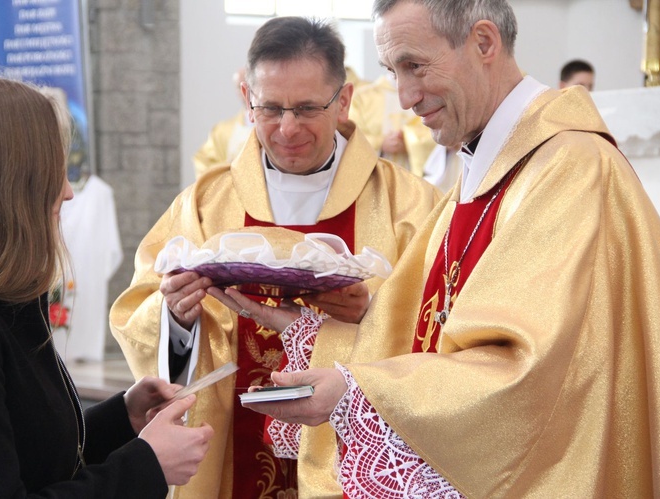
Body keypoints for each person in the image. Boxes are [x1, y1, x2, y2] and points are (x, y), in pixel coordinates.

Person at [209, 0, 660, 497]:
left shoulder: (569, 170)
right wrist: (313, 333)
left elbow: (533, 379)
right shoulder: (486, 170)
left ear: (484, 43)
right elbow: (418, 328)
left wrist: (355, 392)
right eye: (392, 70)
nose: (403, 97)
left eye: (415, 66)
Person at [109, 16, 442, 499]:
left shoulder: (408, 206)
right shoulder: (205, 203)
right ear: (247, 99)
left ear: (343, 101)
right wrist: (175, 317)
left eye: (307, 108)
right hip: (231, 449)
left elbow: (443, 324)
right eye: (270, 108)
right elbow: (137, 310)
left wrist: (373, 314)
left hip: (347, 455)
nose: (287, 128)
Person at [0, 75, 214, 498]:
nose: (68, 192)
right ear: (5, 186)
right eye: (53, 173)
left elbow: (27, 452)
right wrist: (146, 466)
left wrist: (121, 418)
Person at [348, 73, 436, 175]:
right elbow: (350, 137)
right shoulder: (363, 97)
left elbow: (441, 135)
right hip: (377, 177)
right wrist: (380, 143)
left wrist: (410, 140)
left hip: (417, 179)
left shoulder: (429, 95)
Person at [192, 67, 254, 178]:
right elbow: (204, 163)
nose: (245, 92)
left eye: (249, 86)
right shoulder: (222, 131)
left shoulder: (275, 126)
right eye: (239, 87)